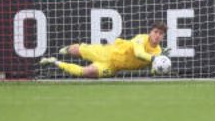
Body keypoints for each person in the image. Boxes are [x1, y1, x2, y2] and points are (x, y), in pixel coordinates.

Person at [39, 21, 168, 78]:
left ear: (163, 37)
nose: (157, 35)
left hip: (113, 66)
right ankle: (64, 50)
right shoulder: (141, 38)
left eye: (161, 34)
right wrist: (154, 59)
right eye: (155, 32)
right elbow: (138, 53)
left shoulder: (158, 53)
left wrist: (157, 68)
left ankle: (54, 62)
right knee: (76, 50)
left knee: (88, 72)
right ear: (150, 32)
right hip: (107, 52)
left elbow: (153, 69)